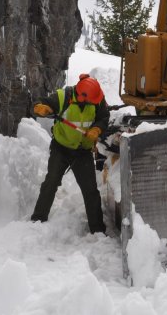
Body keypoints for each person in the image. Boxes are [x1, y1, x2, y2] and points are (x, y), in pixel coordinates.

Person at [29, 73, 109, 232]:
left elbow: (104, 117)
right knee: (51, 182)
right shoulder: (62, 97)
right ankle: (38, 219)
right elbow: (38, 104)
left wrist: (97, 128)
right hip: (61, 147)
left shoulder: (97, 99)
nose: (94, 102)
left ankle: (97, 230)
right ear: (81, 95)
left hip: (83, 151)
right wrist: (40, 108)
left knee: (90, 190)